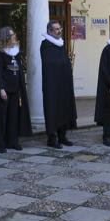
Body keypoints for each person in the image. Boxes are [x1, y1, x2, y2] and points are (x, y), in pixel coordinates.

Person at [0, 26, 32, 153]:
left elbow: (19, 72)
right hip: (4, 91)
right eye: (12, 35)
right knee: (2, 118)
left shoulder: (16, 53)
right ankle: (0, 143)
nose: (15, 37)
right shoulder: (0, 54)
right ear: (6, 38)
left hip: (15, 90)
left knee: (14, 117)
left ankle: (13, 141)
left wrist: (21, 89)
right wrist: (1, 88)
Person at [40, 20, 77, 148]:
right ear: (50, 31)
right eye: (56, 29)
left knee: (64, 108)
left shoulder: (61, 44)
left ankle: (62, 136)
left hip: (63, 83)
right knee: (52, 109)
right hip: (52, 85)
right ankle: (52, 138)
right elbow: (50, 63)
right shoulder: (45, 45)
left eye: (60, 28)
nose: (59, 31)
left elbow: (63, 61)